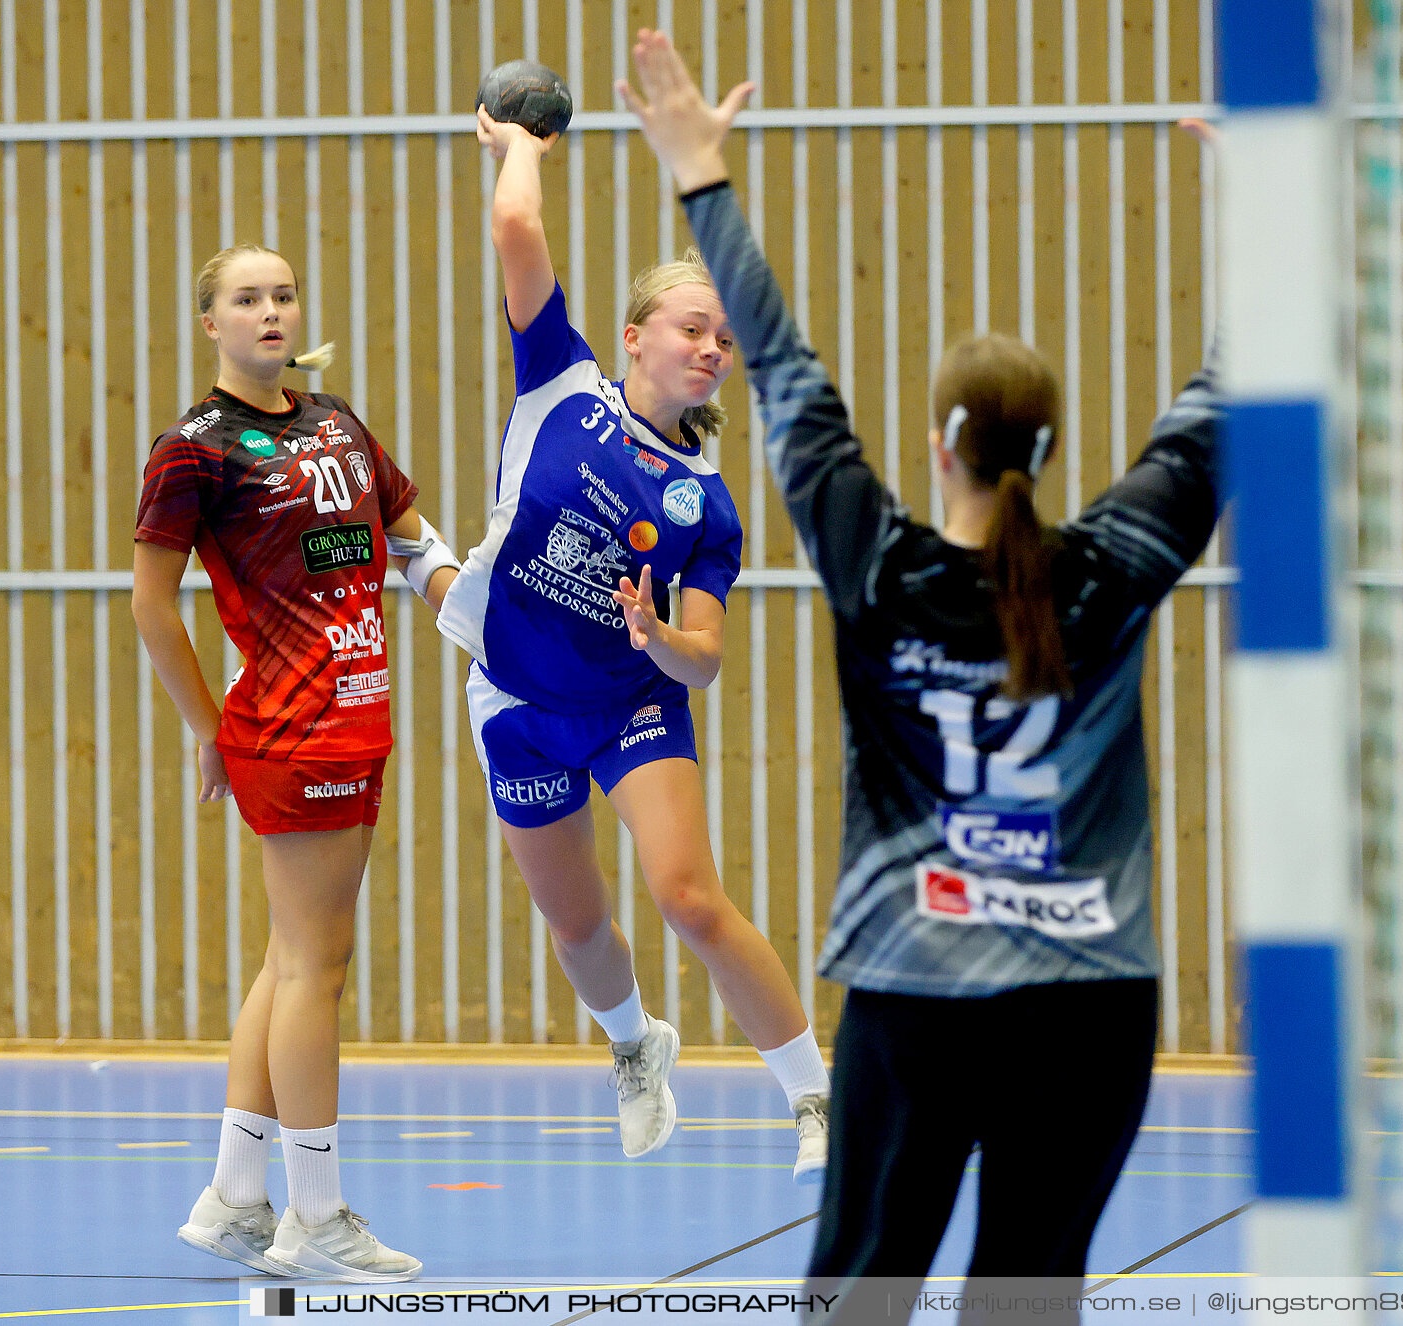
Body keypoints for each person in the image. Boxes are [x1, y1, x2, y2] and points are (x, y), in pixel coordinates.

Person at [618, 31, 1222, 1320]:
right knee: (1028, 1296)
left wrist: (699, 172)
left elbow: (781, 372)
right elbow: (1219, 410)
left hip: (919, 988)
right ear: (1047, 446)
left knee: (862, 1295)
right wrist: (1265, 223)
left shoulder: (875, 563)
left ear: (941, 441)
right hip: (1092, 1005)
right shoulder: (1112, 573)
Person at [434, 100, 830, 1179]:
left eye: (725, 340)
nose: (712, 348)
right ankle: (635, 1047)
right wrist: (521, 150)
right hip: (514, 704)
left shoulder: (709, 507)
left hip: (630, 703)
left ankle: (813, 1099)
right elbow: (518, 234)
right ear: (635, 337)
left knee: (688, 896)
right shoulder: (559, 384)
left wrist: (658, 638)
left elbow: (706, 657)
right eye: (693, 329)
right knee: (579, 928)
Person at [135, 243, 462, 1284]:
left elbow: (411, 537)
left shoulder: (337, 423)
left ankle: (235, 1198)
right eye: (246, 298)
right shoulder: (194, 451)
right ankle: (314, 1218)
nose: (269, 310)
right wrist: (207, 727)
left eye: (281, 295)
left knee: (291, 960)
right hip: (290, 729)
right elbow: (152, 604)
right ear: (211, 324)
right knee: (317, 967)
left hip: (359, 717)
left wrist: (456, 581)